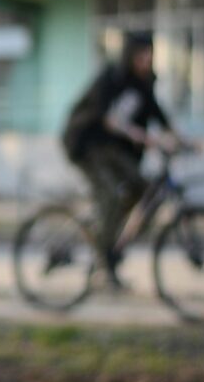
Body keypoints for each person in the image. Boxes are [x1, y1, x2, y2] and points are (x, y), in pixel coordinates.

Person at [62, 33, 188, 287]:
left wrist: (186, 143)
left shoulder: (144, 85)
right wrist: (141, 136)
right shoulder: (111, 79)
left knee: (144, 190)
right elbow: (107, 118)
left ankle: (112, 246)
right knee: (109, 196)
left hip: (114, 152)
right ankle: (102, 255)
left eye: (149, 55)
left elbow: (161, 119)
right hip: (87, 146)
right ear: (129, 55)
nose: (145, 60)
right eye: (141, 55)